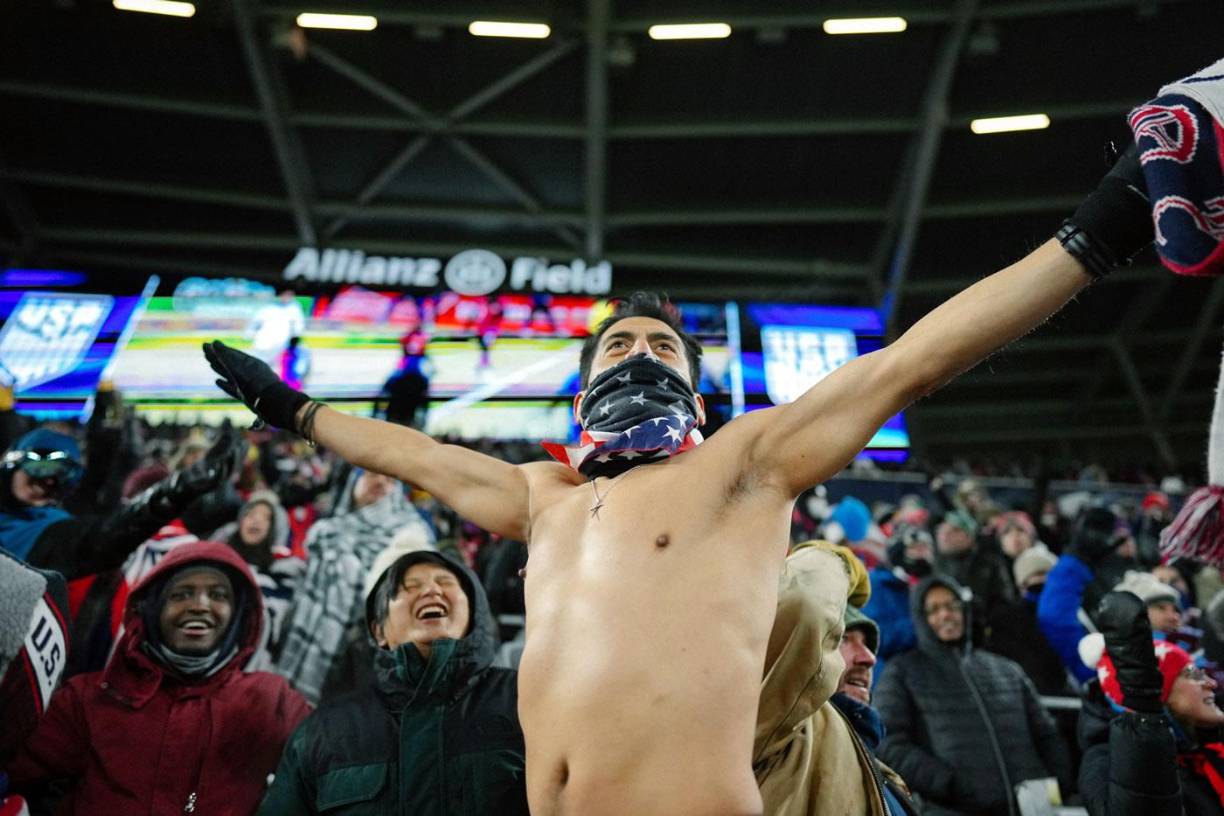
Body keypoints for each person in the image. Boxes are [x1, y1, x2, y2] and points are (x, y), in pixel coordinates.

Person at [203, 141, 1155, 815]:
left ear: (699, 397)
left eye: (664, 345)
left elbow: (911, 360)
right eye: (618, 344)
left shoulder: (742, 467)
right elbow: (416, 456)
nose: (640, 353)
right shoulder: (545, 498)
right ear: (582, 389)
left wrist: (1098, 229)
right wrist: (294, 411)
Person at [4, 540, 311, 814]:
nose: (200, 606)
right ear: (151, 610)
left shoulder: (271, 701)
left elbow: (332, 768)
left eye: (218, 595)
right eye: (181, 594)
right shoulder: (89, 698)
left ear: (239, 616)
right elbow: (12, 771)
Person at [259, 549, 525, 815]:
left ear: (474, 614)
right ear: (379, 631)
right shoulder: (322, 731)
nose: (431, 590)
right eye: (410, 586)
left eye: (445, 582)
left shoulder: (525, 699)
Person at [875, 574, 1073, 816]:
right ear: (921, 618)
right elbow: (889, 743)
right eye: (934, 609)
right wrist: (946, 783)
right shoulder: (902, 672)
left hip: (1033, 808)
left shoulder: (1006, 669)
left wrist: (1057, 779)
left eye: (952, 605)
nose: (945, 614)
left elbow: (1046, 733)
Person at [275, 467, 434, 704]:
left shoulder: (411, 536)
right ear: (353, 485)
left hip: (369, 663)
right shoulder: (327, 532)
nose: (380, 481)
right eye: (371, 475)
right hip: (316, 659)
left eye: (390, 478)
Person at [1078, 591, 1224, 816]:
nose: (1211, 683)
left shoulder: (1209, 748)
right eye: (1191, 675)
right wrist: (1144, 718)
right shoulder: (1104, 763)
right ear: (1157, 693)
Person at [831, 603, 921, 815]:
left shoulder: (878, 769)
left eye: (867, 645)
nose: (869, 658)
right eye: (843, 639)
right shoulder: (794, 759)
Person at [1039, 506, 1138, 683]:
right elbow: (1055, 619)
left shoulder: (1103, 569)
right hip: (1097, 680)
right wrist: (1095, 673)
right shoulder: (1071, 570)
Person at [863, 522, 932, 683]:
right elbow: (878, 637)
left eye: (926, 548)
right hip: (891, 675)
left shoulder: (931, 584)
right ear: (899, 551)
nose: (924, 554)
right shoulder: (876, 584)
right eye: (916, 548)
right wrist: (926, 625)